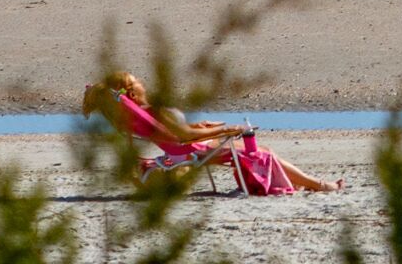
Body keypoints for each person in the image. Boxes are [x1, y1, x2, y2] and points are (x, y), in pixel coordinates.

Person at [88, 70, 337, 195]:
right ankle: (320, 185)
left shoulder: (145, 113)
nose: (143, 82)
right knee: (264, 151)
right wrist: (227, 129)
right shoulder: (154, 111)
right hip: (197, 150)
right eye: (138, 80)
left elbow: (176, 133)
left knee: (263, 151)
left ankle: (310, 183)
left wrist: (203, 126)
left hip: (190, 147)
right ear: (132, 93)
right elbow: (182, 136)